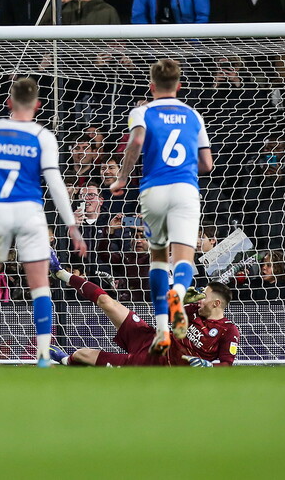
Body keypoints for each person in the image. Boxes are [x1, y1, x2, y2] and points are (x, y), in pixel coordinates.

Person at [0, 77, 86, 367]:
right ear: (37, 105)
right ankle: (44, 355)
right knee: (40, 285)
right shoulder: (42, 136)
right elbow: (55, 182)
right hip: (30, 214)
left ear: (8, 102)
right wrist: (71, 225)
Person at [109, 58, 213, 355]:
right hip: (184, 189)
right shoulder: (194, 115)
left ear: (151, 85)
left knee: (157, 258)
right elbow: (207, 163)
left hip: (153, 191)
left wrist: (122, 178)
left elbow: (136, 141)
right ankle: (178, 295)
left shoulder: (142, 111)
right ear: (179, 86)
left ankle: (163, 331)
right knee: (183, 260)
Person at [48, 256, 240, 367]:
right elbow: (163, 313)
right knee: (107, 301)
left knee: (82, 354)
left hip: (153, 364)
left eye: (203, 296)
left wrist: (208, 366)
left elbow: (225, 365)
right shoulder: (193, 311)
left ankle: (65, 359)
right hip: (151, 339)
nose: (199, 298)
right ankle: (60, 273)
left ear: (216, 304)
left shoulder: (229, 330)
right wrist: (180, 301)